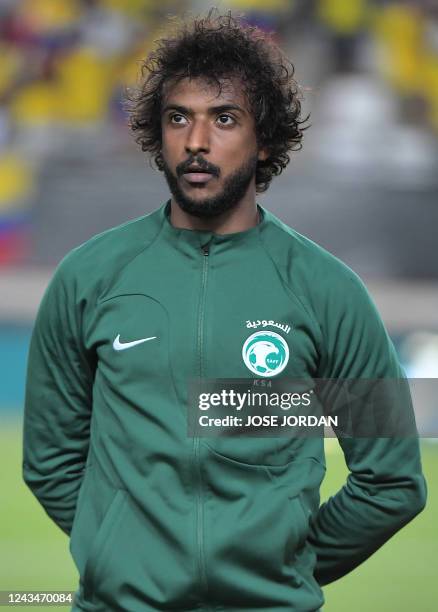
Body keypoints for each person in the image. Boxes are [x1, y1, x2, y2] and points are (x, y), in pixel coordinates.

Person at [23, 11, 427, 612]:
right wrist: (120, 553)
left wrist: (282, 562)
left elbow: (392, 481)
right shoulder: (88, 277)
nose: (196, 141)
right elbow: (50, 460)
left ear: (264, 138)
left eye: (225, 119)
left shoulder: (329, 291)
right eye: (178, 117)